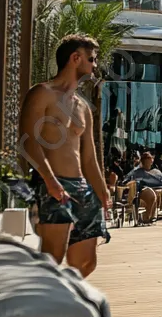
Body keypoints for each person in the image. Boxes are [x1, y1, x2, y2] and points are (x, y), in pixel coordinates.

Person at [18, 34, 111, 277]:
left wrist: (102, 191)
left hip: (81, 187)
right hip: (51, 185)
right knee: (53, 259)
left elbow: (89, 157)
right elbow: (27, 143)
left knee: (86, 263)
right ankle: (42, 308)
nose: (94, 65)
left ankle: (66, 302)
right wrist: (50, 181)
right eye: (91, 59)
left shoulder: (82, 106)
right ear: (75, 58)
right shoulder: (42, 93)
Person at [121, 151, 162, 223]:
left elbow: (160, 182)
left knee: (154, 195)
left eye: (150, 162)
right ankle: (146, 217)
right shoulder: (137, 171)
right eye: (148, 162)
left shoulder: (153, 172)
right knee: (152, 195)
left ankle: (150, 216)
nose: (150, 163)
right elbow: (127, 180)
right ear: (144, 162)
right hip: (137, 191)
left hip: (148, 190)